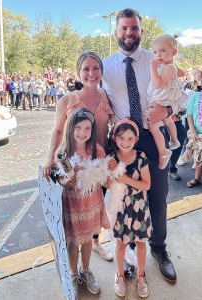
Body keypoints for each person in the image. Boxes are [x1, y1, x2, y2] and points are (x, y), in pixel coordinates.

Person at [102, 8, 183, 282]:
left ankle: (159, 249)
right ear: (116, 32)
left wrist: (168, 110)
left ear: (141, 31)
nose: (129, 33)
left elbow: (181, 97)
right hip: (123, 144)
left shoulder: (157, 60)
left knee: (158, 198)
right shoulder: (105, 66)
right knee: (124, 200)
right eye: (124, 28)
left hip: (152, 137)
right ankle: (125, 253)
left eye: (133, 28)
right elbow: (98, 103)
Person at [43, 51, 114, 262]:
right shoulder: (67, 100)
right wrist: (50, 158)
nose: (91, 73)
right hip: (75, 165)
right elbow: (58, 131)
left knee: (96, 204)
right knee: (76, 208)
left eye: (96, 68)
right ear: (78, 72)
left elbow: (112, 126)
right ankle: (75, 251)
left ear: (101, 71)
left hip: (98, 164)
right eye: (86, 68)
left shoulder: (106, 97)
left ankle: (95, 241)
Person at [56, 107, 110, 300]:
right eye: (78, 127)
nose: (82, 132)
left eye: (87, 128)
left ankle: (85, 270)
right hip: (72, 204)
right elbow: (59, 178)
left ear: (92, 129)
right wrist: (65, 181)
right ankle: (73, 274)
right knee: (72, 240)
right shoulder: (63, 153)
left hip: (91, 202)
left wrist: (107, 169)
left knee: (87, 238)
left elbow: (105, 179)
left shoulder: (97, 150)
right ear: (70, 128)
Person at [106, 118, 151, 298]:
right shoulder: (112, 159)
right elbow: (109, 184)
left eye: (130, 138)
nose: (125, 142)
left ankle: (141, 275)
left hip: (139, 208)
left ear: (136, 139)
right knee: (120, 243)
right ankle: (120, 275)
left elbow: (146, 185)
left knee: (140, 242)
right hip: (121, 209)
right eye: (121, 137)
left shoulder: (141, 158)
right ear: (115, 137)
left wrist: (125, 179)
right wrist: (113, 172)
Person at [147, 35, 182, 169]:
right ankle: (174, 140)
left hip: (161, 99)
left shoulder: (167, 68)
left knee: (153, 127)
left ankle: (163, 153)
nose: (158, 55)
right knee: (167, 120)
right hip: (163, 99)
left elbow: (158, 84)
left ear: (173, 52)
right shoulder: (169, 66)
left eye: (162, 51)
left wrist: (153, 68)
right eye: (155, 52)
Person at [177, 65, 202, 167]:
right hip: (189, 114)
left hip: (197, 115)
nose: (194, 75)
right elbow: (183, 97)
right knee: (189, 136)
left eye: (196, 73)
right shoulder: (189, 85)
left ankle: (197, 159)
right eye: (194, 73)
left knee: (198, 139)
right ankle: (184, 156)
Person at [182, 91, 202, 188]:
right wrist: (193, 131)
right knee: (198, 157)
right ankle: (197, 178)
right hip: (198, 135)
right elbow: (189, 114)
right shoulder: (196, 97)